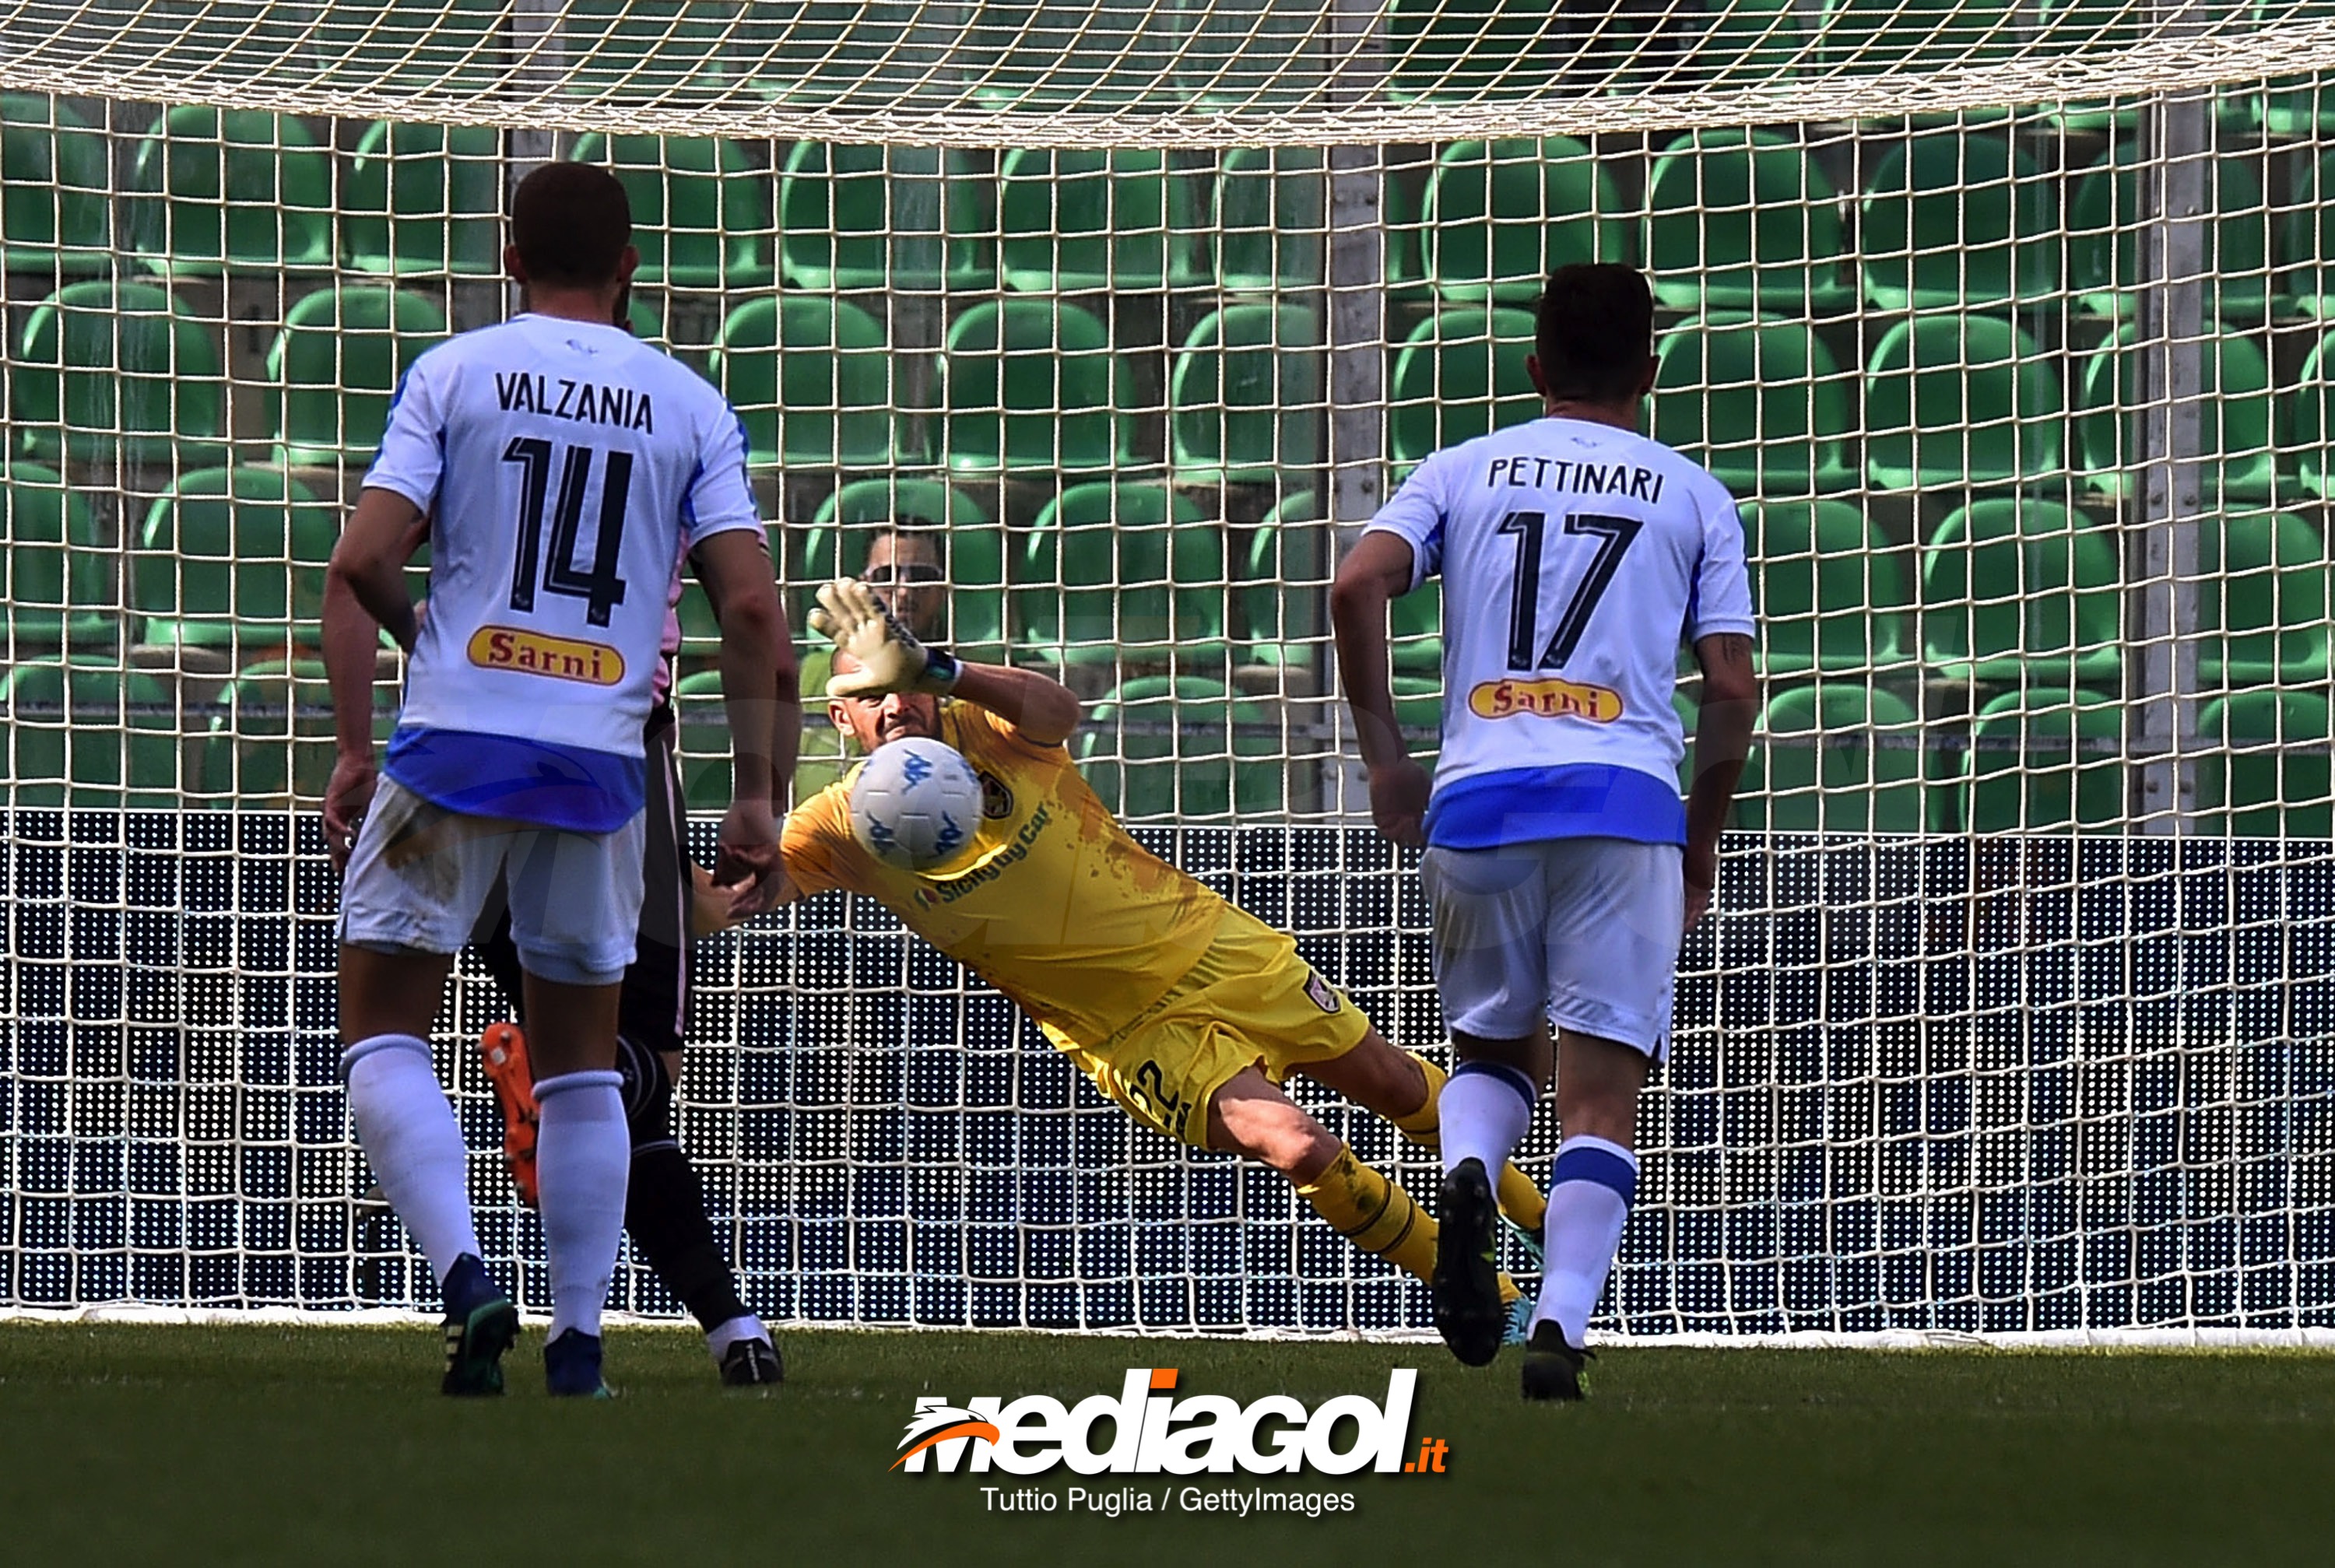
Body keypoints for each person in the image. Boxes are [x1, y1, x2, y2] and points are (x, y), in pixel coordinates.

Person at [739, 577, 1550, 1328]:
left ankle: (1552, 1224)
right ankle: (1489, 1297)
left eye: (902, 683)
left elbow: (1059, 710)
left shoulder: (981, 725)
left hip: (1211, 944)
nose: (894, 705)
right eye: (869, 694)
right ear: (841, 716)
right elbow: (734, 896)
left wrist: (945, 670)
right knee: (1299, 1144)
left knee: (1393, 1080)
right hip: (1127, 1031)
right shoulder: (840, 828)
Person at [322, 160, 786, 1398]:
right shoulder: (689, 402)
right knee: (585, 1059)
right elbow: (750, 605)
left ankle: (471, 1279)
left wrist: (423, 641)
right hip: (602, 760)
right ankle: (580, 1344)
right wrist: (757, 794)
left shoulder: (455, 372)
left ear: (509, 257)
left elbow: (364, 555)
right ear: (631, 270)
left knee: (385, 1030)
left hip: (456, 741)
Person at [1329, 262, 1758, 1401]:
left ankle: (1468, 1168)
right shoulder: (1691, 492)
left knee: (1490, 1059)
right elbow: (1729, 683)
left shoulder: (1461, 469)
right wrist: (1699, 836)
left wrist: (1385, 758)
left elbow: (1356, 583)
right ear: (1650, 372)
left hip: (1480, 800)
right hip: (1624, 807)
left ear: (1534, 366)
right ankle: (1561, 1324)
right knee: (1600, 1095)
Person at [795, 522, 944, 798]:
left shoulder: (970, 676)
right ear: (865, 583)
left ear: (942, 589)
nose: (903, 590)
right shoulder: (808, 677)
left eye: (921, 576)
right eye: (887, 574)